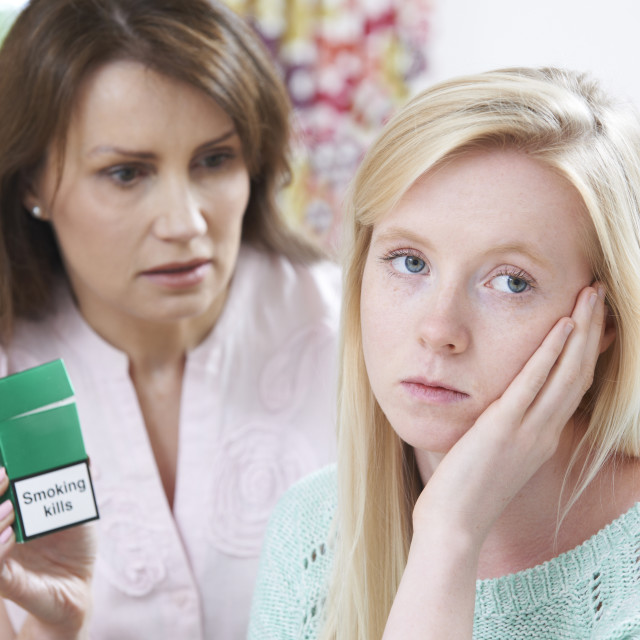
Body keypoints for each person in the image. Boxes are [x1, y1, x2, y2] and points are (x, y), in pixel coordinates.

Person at [248, 67, 640, 639]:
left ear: (601, 322)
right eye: (410, 262)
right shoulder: (312, 531)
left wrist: (450, 532)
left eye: (510, 282)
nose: (438, 330)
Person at [0, 0, 340, 638]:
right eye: (126, 173)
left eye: (214, 160)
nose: (186, 225)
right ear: (30, 184)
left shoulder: (355, 333)